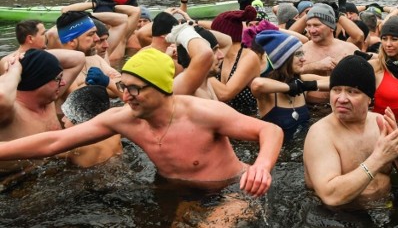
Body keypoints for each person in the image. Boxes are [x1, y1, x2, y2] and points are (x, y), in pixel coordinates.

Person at [0, 48, 284, 197]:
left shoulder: (203, 112)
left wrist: (261, 167)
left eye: (134, 89)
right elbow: (54, 142)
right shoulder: (123, 119)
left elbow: (269, 129)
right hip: (172, 188)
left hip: (232, 188)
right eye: (123, 86)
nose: (125, 95)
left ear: (161, 89)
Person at [303, 55, 398, 206]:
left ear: (370, 98)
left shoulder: (379, 122)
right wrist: (379, 158)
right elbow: (330, 196)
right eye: (336, 90)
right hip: (340, 216)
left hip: (387, 202)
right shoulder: (320, 133)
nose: (341, 98)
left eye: (352, 91)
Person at [0, 49, 84, 175]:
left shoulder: (49, 100)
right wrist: (14, 70)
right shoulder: (9, 113)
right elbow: (2, 96)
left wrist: (20, 56)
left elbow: (78, 58)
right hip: (15, 185)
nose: (64, 83)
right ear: (39, 81)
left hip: (53, 173)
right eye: (58, 78)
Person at [250, 31, 328, 140]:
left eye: (302, 53)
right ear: (284, 60)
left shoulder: (302, 81)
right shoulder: (267, 93)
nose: (303, 59)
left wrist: (308, 85)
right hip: (278, 155)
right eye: (298, 54)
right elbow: (257, 84)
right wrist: (290, 87)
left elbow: (336, 81)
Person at [299, 3, 359, 104]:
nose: (311, 30)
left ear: (331, 27)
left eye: (317, 25)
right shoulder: (301, 51)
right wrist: (315, 66)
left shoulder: (349, 49)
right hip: (312, 108)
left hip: (344, 106)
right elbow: (285, 76)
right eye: (308, 25)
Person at [60, 85, 122, 167]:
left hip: (90, 178)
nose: (62, 119)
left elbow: (44, 151)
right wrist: (108, 82)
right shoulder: (115, 131)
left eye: (67, 115)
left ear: (79, 119)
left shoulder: (75, 147)